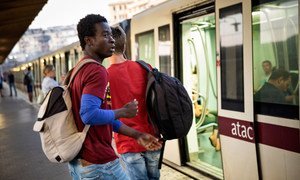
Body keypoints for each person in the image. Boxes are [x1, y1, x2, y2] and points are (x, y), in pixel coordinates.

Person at [68, 14, 162, 180]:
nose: (111, 40)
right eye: (105, 35)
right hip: (99, 163)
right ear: (89, 41)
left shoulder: (78, 69)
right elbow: (89, 114)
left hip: (82, 162)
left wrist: (137, 135)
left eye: (111, 35)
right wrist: (123, 112)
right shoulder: (97, 71)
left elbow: (102, 117)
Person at [107, 26, 161, 179]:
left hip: (128, 142)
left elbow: (107, 112)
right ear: (124, 45)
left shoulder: (106, 76)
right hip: (152, 137)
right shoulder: (144, 67)